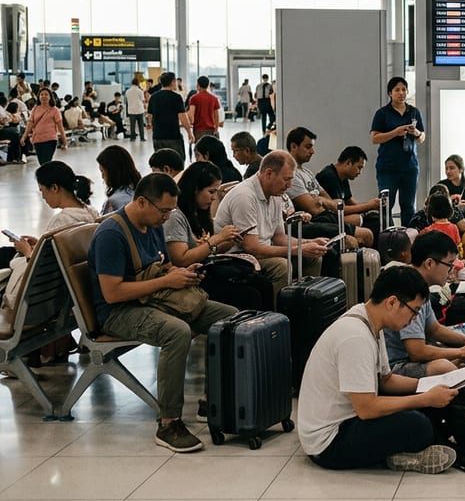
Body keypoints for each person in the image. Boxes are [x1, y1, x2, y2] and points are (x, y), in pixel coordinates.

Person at [88, 173, 239, 452]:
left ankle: (213, 400)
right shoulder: (112, 234)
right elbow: (112, 293)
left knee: (230, 317)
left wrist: (180, 273)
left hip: (153, 299)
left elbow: (164, 265)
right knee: (176, 332)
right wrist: (167, 281)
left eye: (171, 210)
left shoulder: (153, 223)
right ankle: (169, 421)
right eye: (164, 210)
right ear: (142, 202)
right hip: (118, 312)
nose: (168, 217)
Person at [298, 265, 458, 472]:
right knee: (419, 425)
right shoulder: (355, 337)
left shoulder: (369, 322)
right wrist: (424, 398)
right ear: (392, 302)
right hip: (329, 443)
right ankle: (400, 455)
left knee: (425, 409)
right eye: (414, 311)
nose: (415, 319)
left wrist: (428, 386)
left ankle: (398, 452)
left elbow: (386, 380)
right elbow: (366, 408)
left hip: (350, 419)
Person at [214, 150, 330, 296]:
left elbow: (279, 237)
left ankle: (306, 305)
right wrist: (297, 249)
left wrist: (308, 243)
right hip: (237, 256)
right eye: (286, 179)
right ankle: (279, 313)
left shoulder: (276, 194)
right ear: (268, 173)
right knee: (281, 266)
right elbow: (252, 247)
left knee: (313, 257)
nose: (289, 185)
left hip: (260, 251)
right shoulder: (244, 196)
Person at [383, 231, 465, 376]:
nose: (452, 271)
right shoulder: (409, 290)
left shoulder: (418, 284)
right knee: (446, 366)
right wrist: (462, 351)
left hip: (409, 359)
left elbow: (434, 329)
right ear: (429, 263)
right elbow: (417, 351)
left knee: (463, 357)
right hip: (396, 367)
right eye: (449, 264)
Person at [164, 161, 274, 311]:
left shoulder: (199, 213)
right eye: (211, 192)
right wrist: (216, 239)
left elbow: (208, 251)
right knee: (249, 295)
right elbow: (181, 259)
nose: (214, 197)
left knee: (263, 284)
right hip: (192, 278)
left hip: (207, 270)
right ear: (195, 189)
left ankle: (270, 328)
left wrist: (227, 241)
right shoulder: (176, 217)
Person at [4, 161, 99, 308]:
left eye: (42, 191)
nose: (42, 197)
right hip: (77, 287)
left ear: (54, 188)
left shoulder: (61, 221)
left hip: (47, 296)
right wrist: (40, 244)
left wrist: (27, 251)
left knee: (6, 256)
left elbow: (40, 272)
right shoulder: (90, 212)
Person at [285, 126, 373, 247]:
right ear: (293, 146)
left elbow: (331, 201)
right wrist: (324, 202)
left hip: (328, 216)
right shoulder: (291, 174)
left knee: (371, 222)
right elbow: (314, 209)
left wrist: (323, 201)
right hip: (314, 222)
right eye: (308, 147)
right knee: (365, 234)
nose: (312, 151)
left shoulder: (307, 172)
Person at [370, 76, 424, 226]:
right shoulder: (382, 113)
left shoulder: (413, 112)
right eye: (397, 90)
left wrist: (417, 133)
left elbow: (422, 137)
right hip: (388, 167)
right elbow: (374, 138)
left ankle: (407, 238)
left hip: (410, 167)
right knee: (386, 205)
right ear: (390, 93)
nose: (401, 93)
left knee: (408, 205)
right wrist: (396, 132)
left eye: (404, 90)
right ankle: (389, 238)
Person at [316, 145, 382, 234]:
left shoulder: (343, 177)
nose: (359, 172)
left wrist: (370, 208)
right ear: (348, 163)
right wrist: (368, 205)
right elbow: (338, 209)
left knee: (375, 217)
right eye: (359, 167)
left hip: (338, 216)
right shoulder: (329, 176)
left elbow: (349, 200)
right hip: (328, 220)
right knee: (372, 223)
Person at [147, 72, 191, 159]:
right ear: (172, 82)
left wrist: (150, 125)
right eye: (175, 81)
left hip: (157, 136)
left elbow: (150, 115)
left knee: (161, 162)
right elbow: (183, 117)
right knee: (176, 162)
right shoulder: (176, 97)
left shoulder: (153, 97)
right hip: (173, 136)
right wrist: (189, 132)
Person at [437, 154, 465, 240]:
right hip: (449, 214)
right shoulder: (442, 185)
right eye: (446, 168)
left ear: (461, 169)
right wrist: (450, 199)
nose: (448, 171)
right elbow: (434, 202)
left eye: (452, 168)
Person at [20, 88, 67, 165]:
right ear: (38, 97)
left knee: (46, 162)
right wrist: (24, 136)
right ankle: (47, 176)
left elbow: (60, 126)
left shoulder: (55, 110)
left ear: (50, 97)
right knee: (42, 163)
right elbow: (30, 124)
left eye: (46, 94)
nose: (43, 96)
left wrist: (64, 139)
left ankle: (48, 176)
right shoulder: (35, 109)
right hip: (38, 140)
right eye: (41, 94)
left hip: (50, 140)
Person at [97, 145, 142, 215]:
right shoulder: (144, 190)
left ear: (112, 171)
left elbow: (103, 224)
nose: (102, 176)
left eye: (102, 171)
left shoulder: (114, 202)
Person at [188, 75, 222, 140]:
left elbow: (191, 114)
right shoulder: (214, 98)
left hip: (198, 130)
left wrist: (190, 126)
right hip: (211, 130)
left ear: (198, 85)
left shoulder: (194, 98)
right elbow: (217, 116)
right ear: (208, 85)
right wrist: (216, 129)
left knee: (199, 149)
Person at [125, 75, 147, 141]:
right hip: (139, 110)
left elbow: (127, 101)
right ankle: (142, 138)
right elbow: (143, 100)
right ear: (138, 83)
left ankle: (132, 137)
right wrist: (145, 107)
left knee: (132, 126)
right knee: (141, 125)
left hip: (131, 110)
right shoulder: (140, 91)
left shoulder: (127, 91)